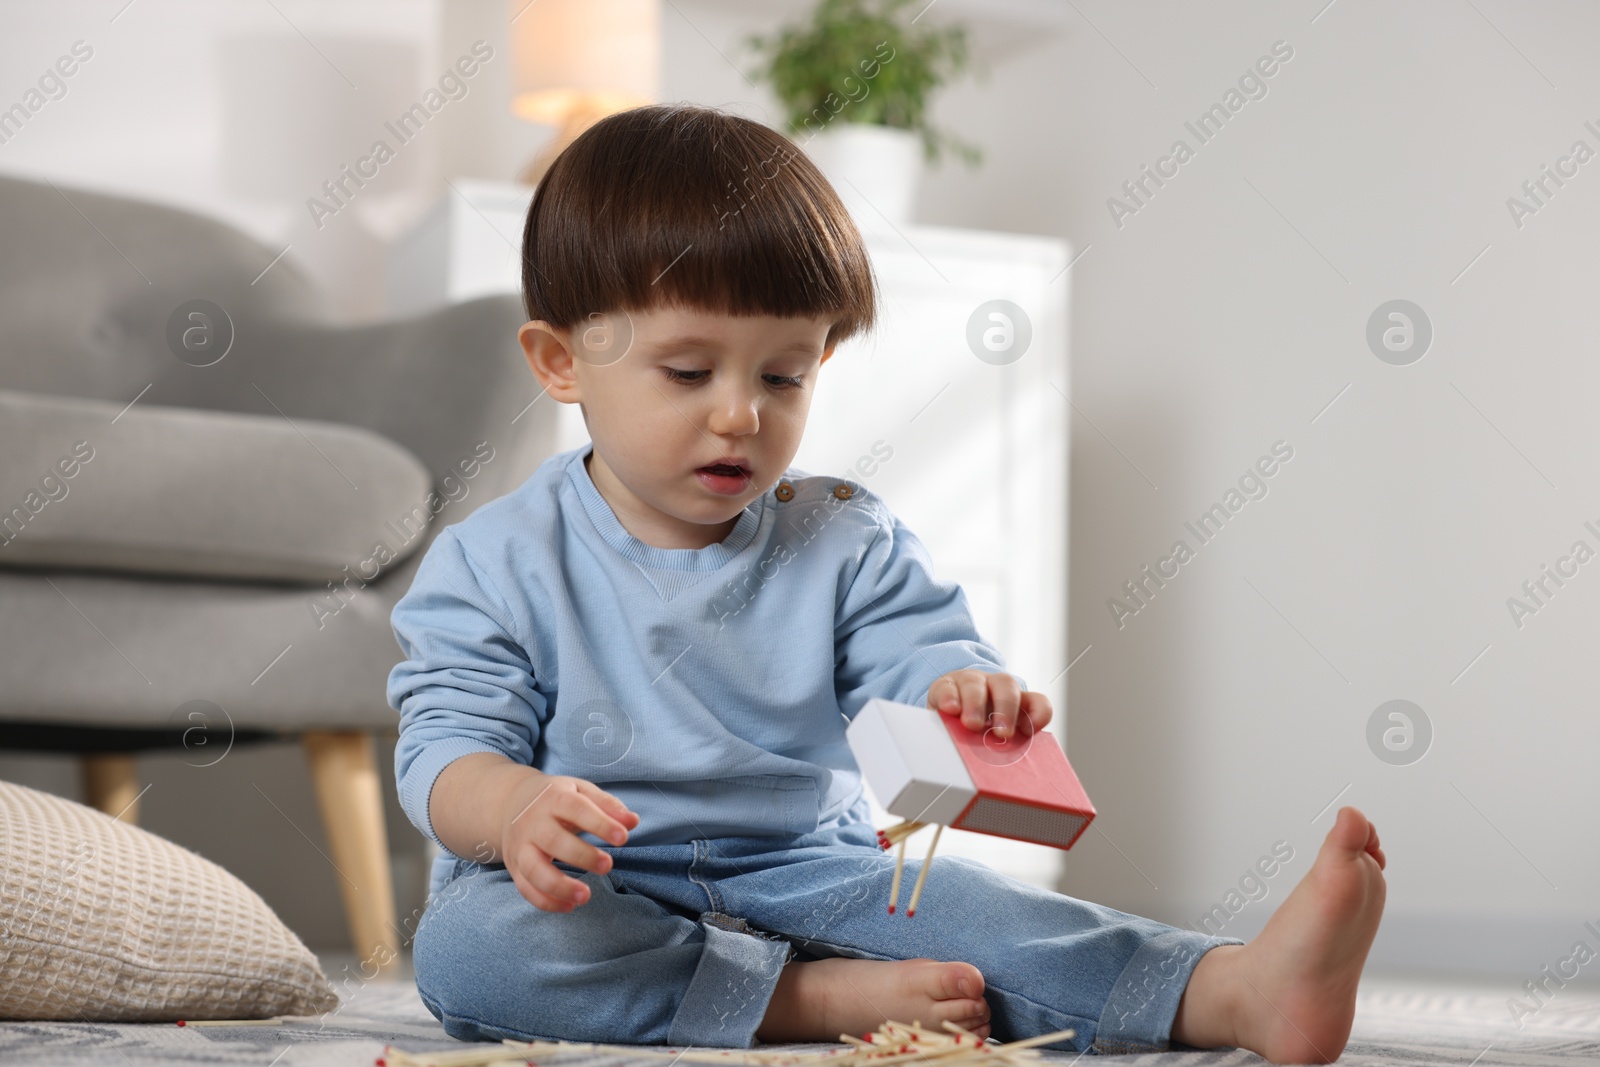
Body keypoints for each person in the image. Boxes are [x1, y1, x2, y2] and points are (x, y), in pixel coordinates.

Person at [387, 104, 1386, 1063]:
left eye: (783, 375)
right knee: (474, 946)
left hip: (810, 873)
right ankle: (798, 1000)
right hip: (596, 889)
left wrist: (958, 687)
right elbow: (444, 749)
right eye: (689, 371)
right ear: (561, 361)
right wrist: (514, 805)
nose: (741, 413)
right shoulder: (492, 559)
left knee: (981, 911)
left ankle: (1236, 990)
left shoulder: (840, 534)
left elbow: (914, 650)